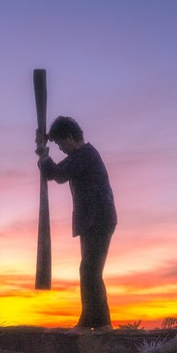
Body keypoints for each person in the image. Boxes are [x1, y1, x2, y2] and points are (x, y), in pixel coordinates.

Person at [36, 115, 117, 333]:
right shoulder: (81, 156)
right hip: (92, 219)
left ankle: (92, 322)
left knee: (89, 270)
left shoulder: (85, 155)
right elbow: (52, 171)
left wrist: (44, 154)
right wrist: (43, 152)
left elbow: (59, 174)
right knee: (90, 270)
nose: (61, 148)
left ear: (71, 137)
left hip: (98, 218)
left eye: (61, 143)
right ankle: (102, 323)